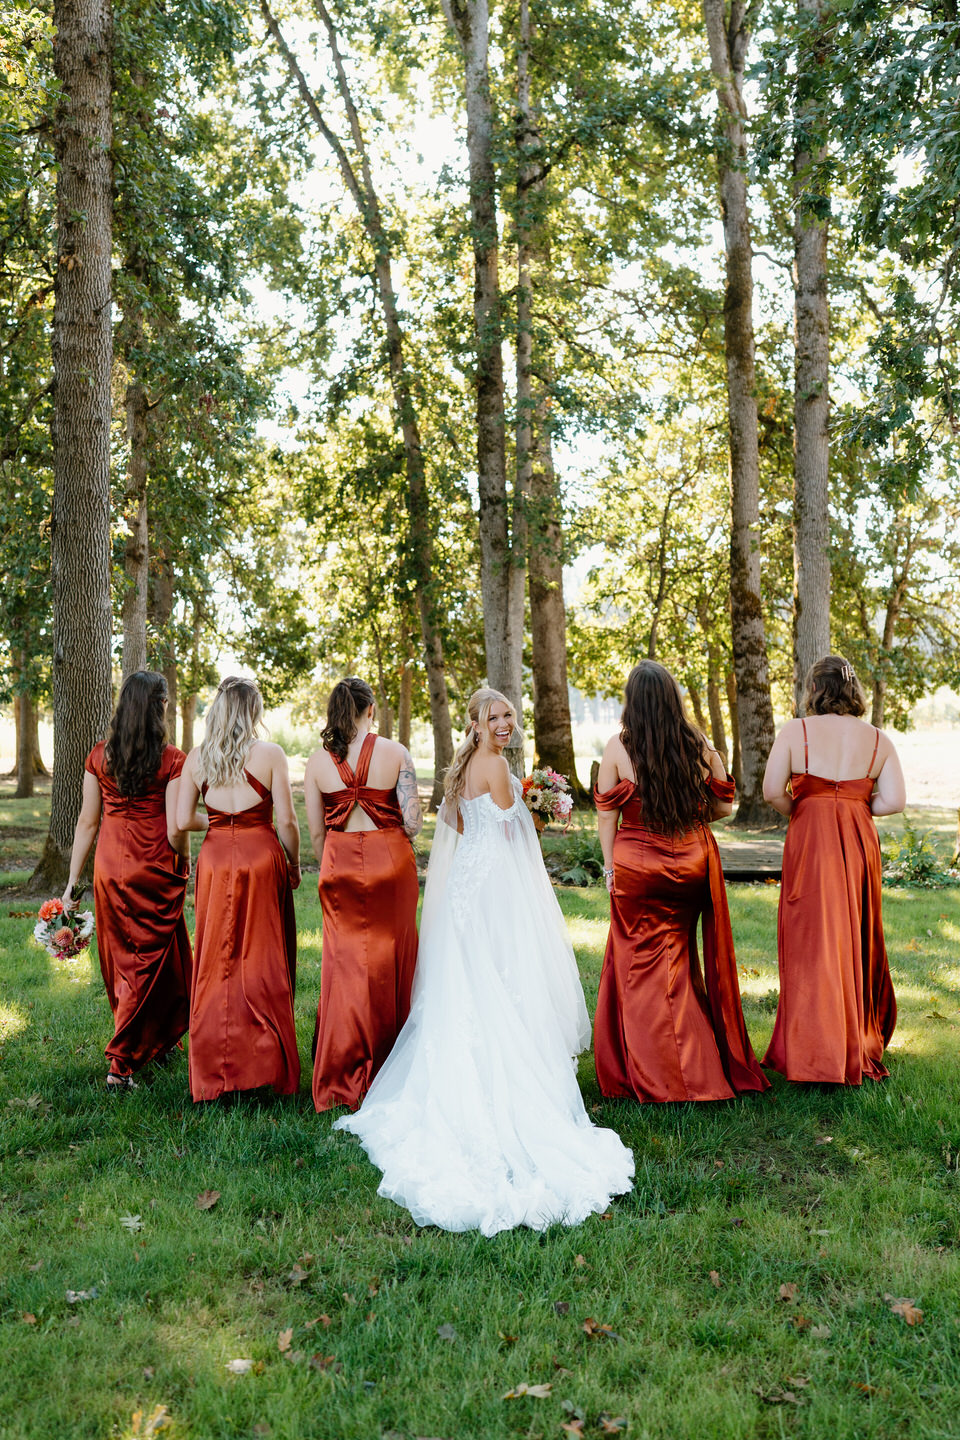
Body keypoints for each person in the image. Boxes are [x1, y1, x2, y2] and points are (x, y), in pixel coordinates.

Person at [335, 688, 634, 1236]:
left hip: (466, 890)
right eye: (493, 717)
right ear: (475, 723)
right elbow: (515, 833)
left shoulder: (465, 767)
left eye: (508, 714)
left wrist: (528, 803)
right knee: (503, 979)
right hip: (494, 887)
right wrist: (538, 814)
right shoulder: (494, 765)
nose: (504, 723)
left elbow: (460, 830)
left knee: (472, 986)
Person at [593, 660, 768, 1104]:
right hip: (690, 861)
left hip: (637, 865)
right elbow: (723, 806)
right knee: (680, 958)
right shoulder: (699, 744)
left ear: (632, 702)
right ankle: (695, 1064)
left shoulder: (618, 747)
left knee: (636, 965)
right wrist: (689, 815)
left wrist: (610, 868)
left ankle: (653, 1071)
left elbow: (607, 815)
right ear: (673, 698)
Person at [761, 654, 905, 1084]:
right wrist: (855, 804)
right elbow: (894, 801)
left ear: (814, 689)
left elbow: (771, 791)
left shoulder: (796, 731)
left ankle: (811, 1046)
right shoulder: (878, 739)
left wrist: (805, 808)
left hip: (810, 837)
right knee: (854, 933)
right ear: (852, 689)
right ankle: (853, 1038)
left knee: (810, 935)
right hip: (858, 839)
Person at [61, 671, 193, 1091]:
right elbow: (176, 828)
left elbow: (87, 822)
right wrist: (185, 862)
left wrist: (72, 882)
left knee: (126, 960)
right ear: (160, 707)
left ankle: (156, 1039)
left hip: (109, 866)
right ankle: (120, 1064)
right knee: (151, 960)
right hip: (154, 865)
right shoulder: (172, 759)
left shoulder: (100, 756)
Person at [177, 677, 301, 1102]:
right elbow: (287, 821)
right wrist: (294, 862)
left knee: (216, 957)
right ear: (253, 712)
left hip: (215, 860)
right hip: (260, 856)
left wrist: (217, 821)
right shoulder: (271, 754)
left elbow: (182, 819)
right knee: (262, 954)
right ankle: (265, 1063)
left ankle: (216, 1068)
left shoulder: (197, 758)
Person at [305, 676, 422, 1112]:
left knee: (344, 962)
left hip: (338, 863)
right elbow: (413, 824)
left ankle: (343, 1066)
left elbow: (316, 833)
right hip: (389, 861)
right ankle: (392, 1062)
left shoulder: (318, 762)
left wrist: (335, 860)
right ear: (370, 709)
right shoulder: (396, 752)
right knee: (393, 957)